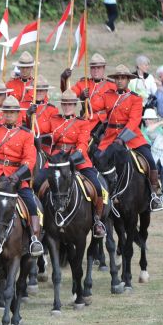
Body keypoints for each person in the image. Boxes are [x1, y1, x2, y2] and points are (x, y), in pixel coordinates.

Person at [0, 95, 44, 256]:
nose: (9, 115)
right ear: (2, 113)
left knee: (30, 203)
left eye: (12, 112)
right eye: (6, 112)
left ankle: (34, 239)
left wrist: (18, 175)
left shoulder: (26, 134)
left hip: (14, 177)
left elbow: (30, 160)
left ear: (18, 114)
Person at [40, 90, 107, 238]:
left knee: (96, 186)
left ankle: (97, 221)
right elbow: (39, 129)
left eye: (70, 104)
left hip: (76, 159)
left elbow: (83, 144)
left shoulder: (82, 123)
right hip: (56, 160)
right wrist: (29, 115)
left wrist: (73, 158)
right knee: (37, 183)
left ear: (75, 105)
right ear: (62, 105)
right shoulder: (54, 120)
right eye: (64, 104)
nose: (67, 106)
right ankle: (42, 222)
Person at [99, 64, 163, 211]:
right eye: (118, 78)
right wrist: (85, 98)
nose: (120, 80)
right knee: (96, 158)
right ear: (114, 80)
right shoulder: (108, 95)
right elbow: (97, 107)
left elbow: (134, 121)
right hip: (110, 137)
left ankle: (154, 195)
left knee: (149, 160)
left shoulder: (135, 98)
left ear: (128, 80)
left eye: (123, 78)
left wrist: (122, 138)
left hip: (132, 137)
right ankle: (100, 196)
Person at [60, 53, 116, 130]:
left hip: (105, 123)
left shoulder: (112, 86)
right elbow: (67, 96)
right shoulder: (83, 83)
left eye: (98, 68)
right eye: (93, 68)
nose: (96, 71)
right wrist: (63, 79)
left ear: (104, 68)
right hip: (86, 121)